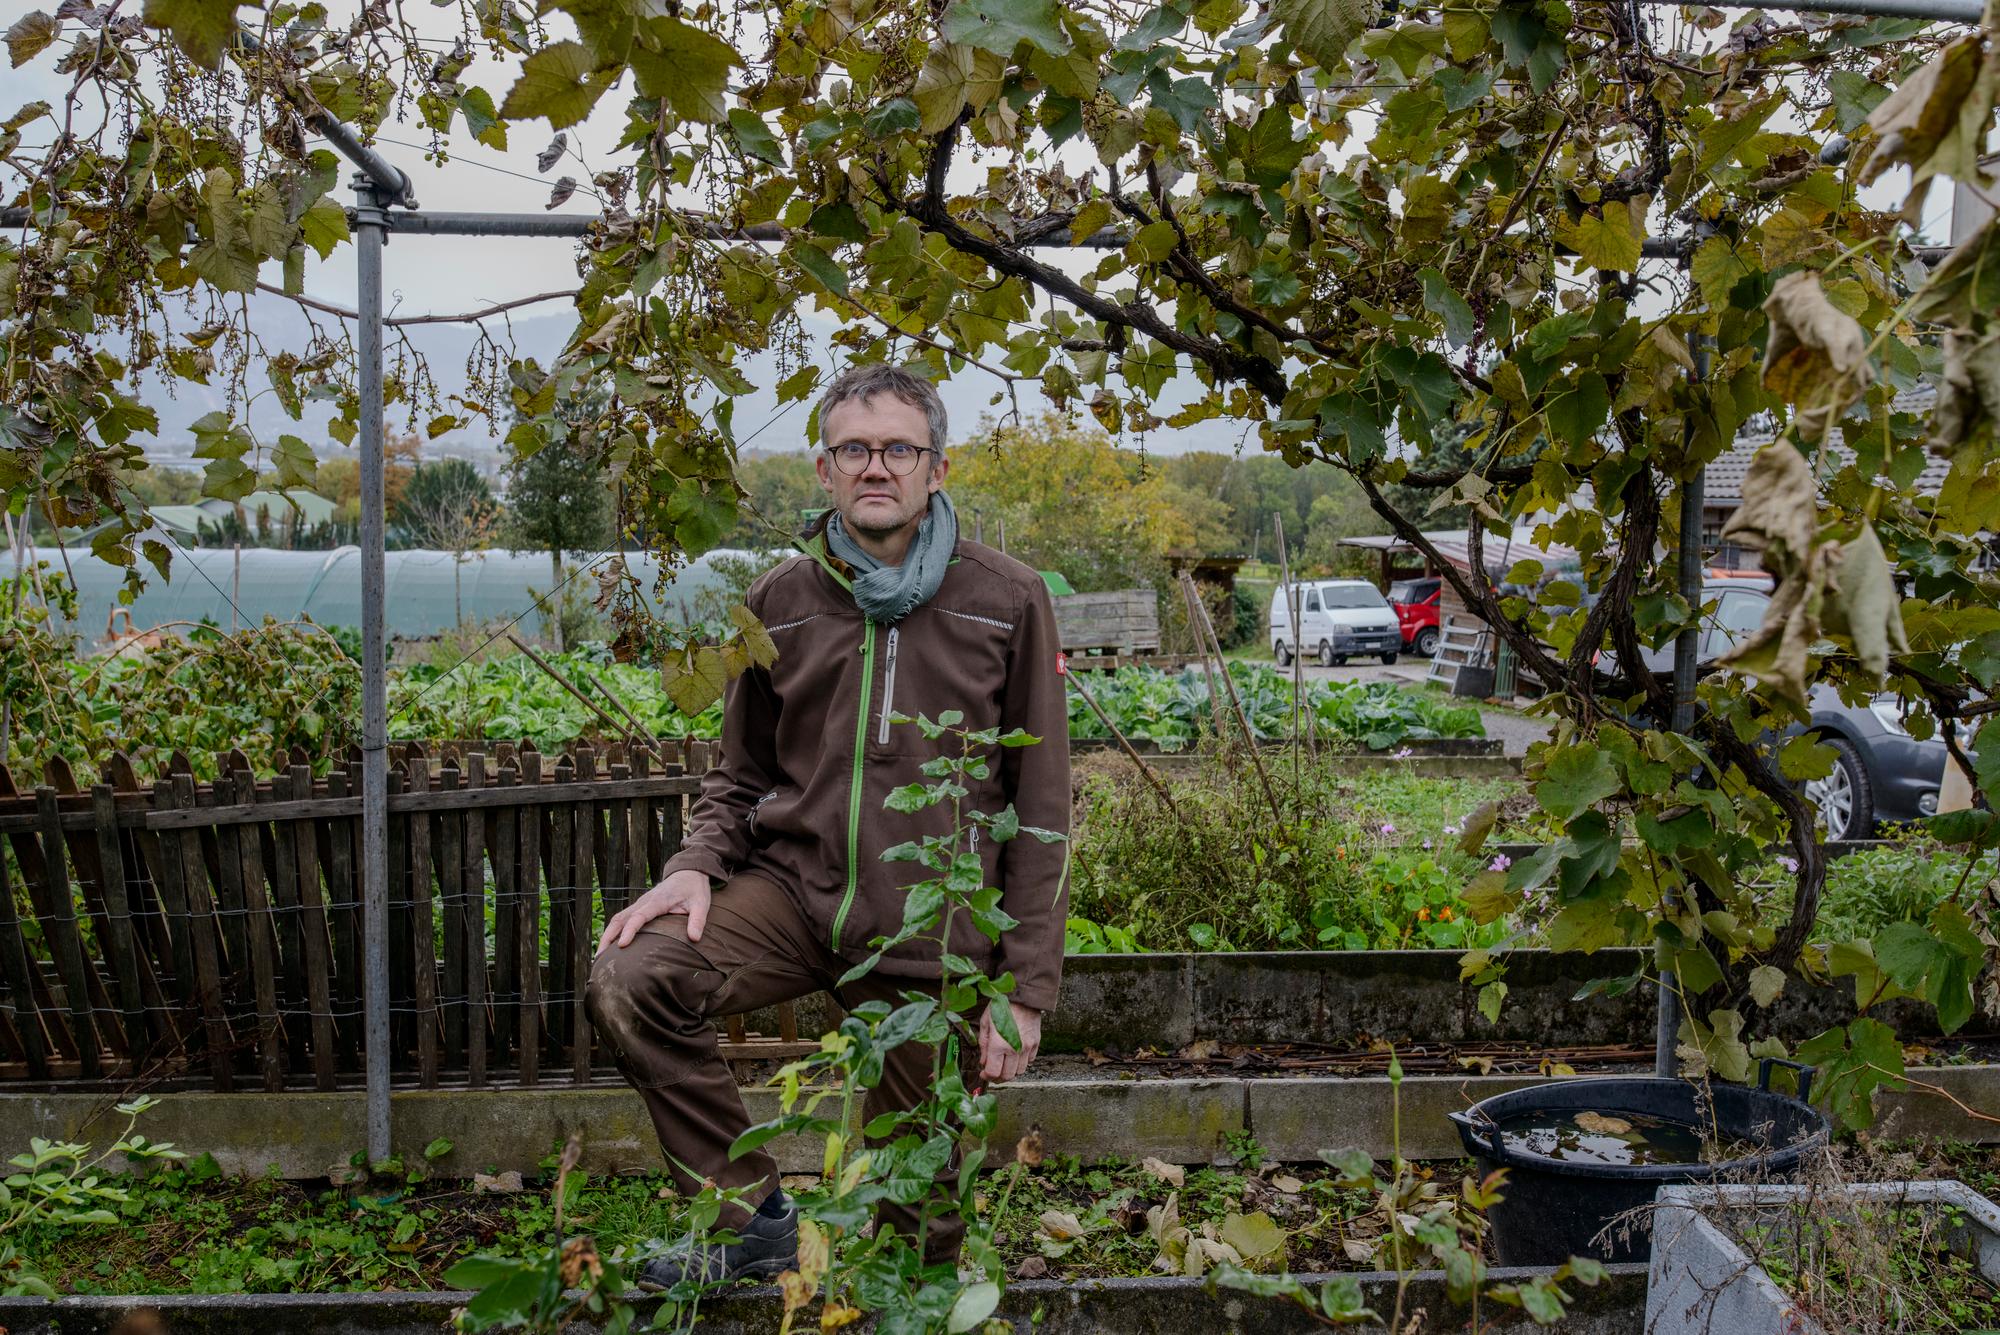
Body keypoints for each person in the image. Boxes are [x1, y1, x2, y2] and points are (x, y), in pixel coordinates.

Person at [586, 363, 1072, 1288]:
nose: (875, 466)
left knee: (915, 1237)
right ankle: (749, 1221)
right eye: (854, 449)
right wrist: (694, 865)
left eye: (899, 449)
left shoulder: (1006, 599)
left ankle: (907, 1275)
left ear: (937, 467)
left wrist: (1026, 985)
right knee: (632, 978)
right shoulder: (780, 600)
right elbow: (739, 772)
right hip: (796, 899)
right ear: (824, 468)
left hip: (931, 932)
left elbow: (1043, 807)